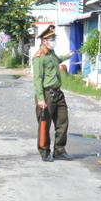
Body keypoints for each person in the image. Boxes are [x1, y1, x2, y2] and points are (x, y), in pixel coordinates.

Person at [32, 25, 74, 162]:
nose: (53, 41)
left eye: (54, 38)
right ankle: (44, 151)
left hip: (58, 93)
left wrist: (67, 56)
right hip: (46, 94)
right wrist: (40, 98)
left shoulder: (51, 53)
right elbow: (37, 79)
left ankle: (59, 150)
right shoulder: (39, 57)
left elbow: (56, 60)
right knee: (45, 124)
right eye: (51, 39)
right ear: (44, 41)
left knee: (63, 121)